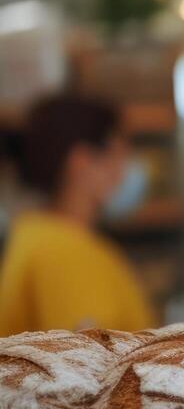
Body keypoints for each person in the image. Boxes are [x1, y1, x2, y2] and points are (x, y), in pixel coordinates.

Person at [0, 95, 156, 335]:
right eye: (120, 155)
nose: (125, 171)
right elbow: (87, 363)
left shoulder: (35, 233)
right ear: (81, 162)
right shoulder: (62, 251)